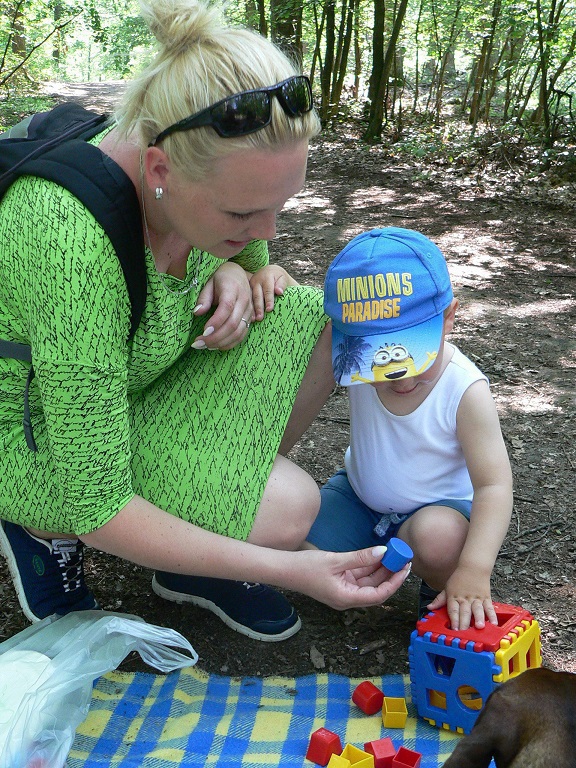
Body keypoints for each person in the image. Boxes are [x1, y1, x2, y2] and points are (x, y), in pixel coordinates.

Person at [0, 0, 411, 643]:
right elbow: (98, 503)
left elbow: (260, 263)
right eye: (242, 214)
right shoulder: (68, 242)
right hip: (35, 438)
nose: (267, 231)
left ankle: (198, 542)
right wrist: (292, 570)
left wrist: (236, 270)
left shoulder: (192, 162)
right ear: (158, 170)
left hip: (133, 384)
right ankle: (37, 526)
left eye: (280, 206)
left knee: (323, 317)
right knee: (288, 508)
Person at [305, 227, 513, 631]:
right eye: (377, 364)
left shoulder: (464, 389)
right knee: (300, 546)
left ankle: (440, 587)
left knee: (438, 539)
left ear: (448, 318)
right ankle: (376, 562)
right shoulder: (350, 358)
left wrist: (474, 568)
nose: (401, 379)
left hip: (439, 511)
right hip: (360, 498)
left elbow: (494, 485)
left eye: (416, 358)